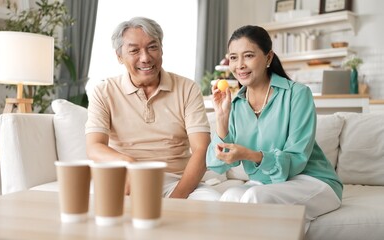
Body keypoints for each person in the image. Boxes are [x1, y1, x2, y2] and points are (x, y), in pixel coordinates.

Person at [206, 25, 343, 230]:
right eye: (233, 58)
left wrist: (252, 155)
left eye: (248, 55)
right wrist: (222, 118)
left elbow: (296, 159)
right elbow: (216, 165)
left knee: (253, 196)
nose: (240, 65)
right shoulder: (236, 104)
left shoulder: (297, 94)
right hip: (268, 184)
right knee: (229, 196)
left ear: (268, 58)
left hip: (313, 181)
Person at [85, 17, 220, 201]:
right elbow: (94, 147)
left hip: (177, 181)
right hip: (126, 179)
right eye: (134, 50)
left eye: (152, 47)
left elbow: (202, 148)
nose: (145, 58)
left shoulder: (187, 88)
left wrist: (177, 197)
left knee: (212, 202)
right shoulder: (104, 91)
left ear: (161, 49)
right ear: (119, 56)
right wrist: (128, 163)